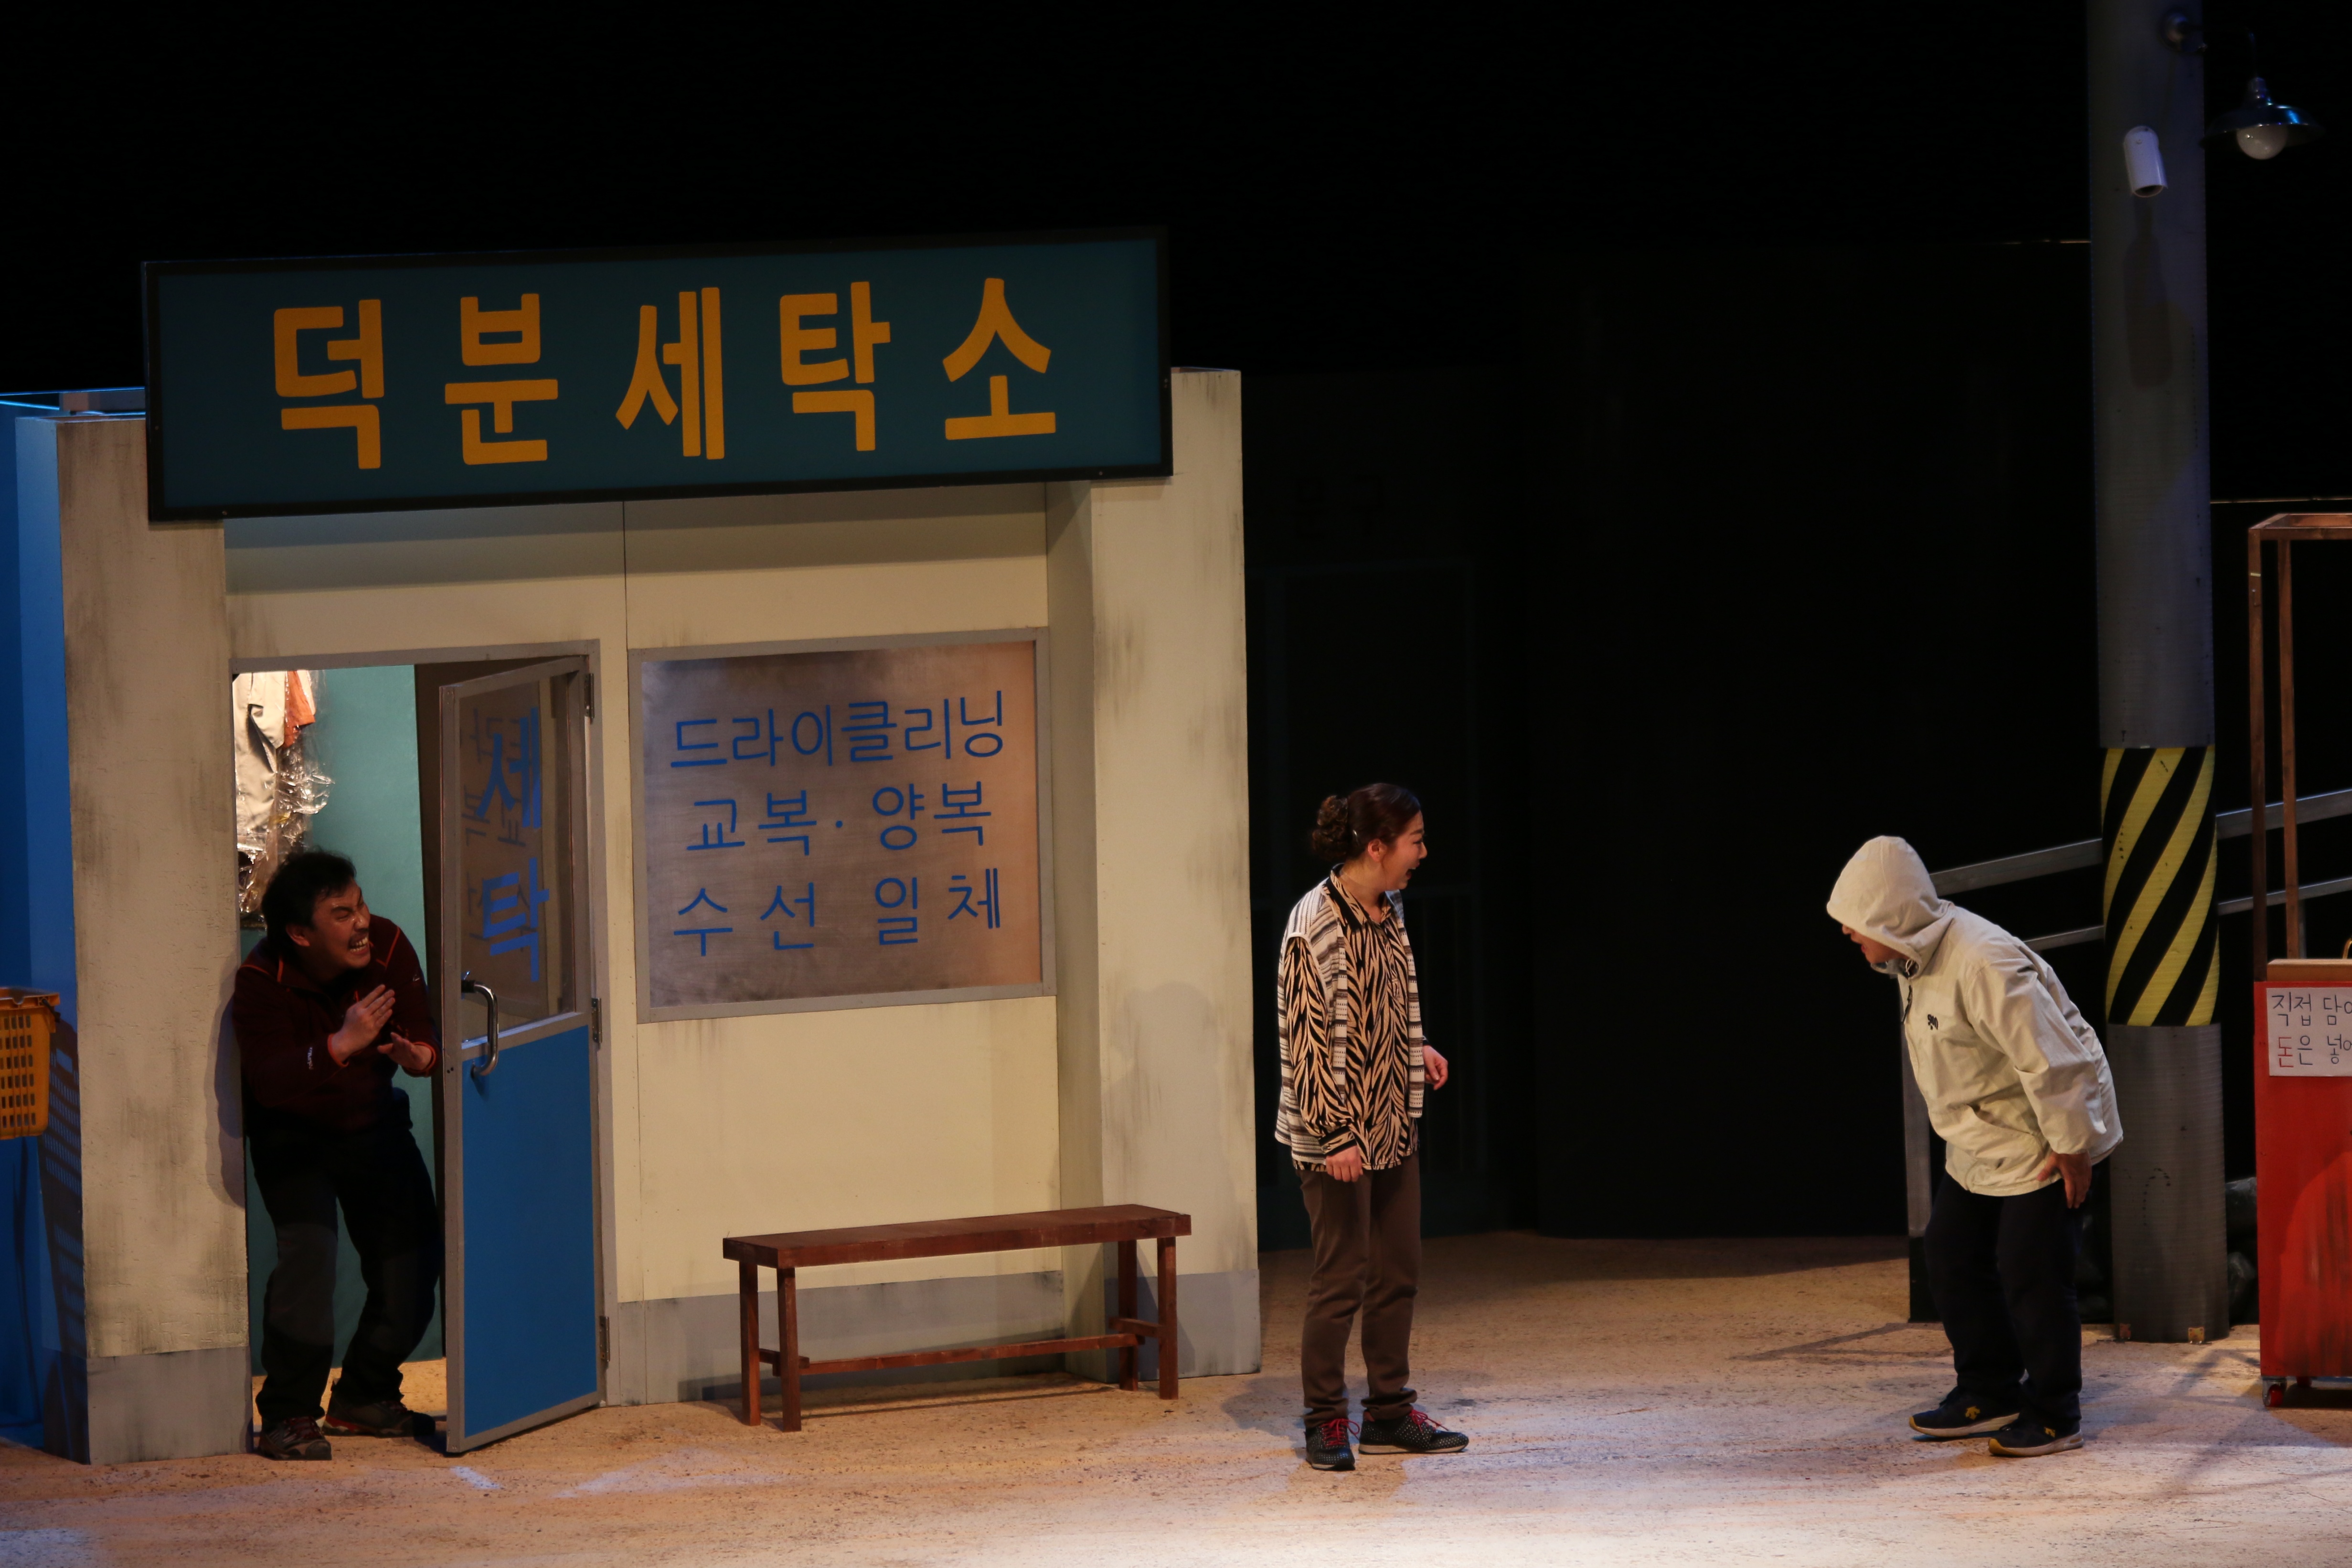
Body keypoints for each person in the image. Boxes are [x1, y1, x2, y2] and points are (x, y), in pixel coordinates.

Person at [1827, 835, 2122, 1458]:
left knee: (2030, 1270)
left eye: (1856, 920)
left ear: (1891, 916)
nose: (1848, 933)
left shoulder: (1983, 960)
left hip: (2045, 1133)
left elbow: (2052, 1057)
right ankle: (1989, 1390)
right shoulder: (1908, 958)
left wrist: (2072, 1145)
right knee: (1951, 1253)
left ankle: (2055, 1410)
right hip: (1980, 1133)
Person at [1276, 782, 1467, 1471]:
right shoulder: (1314, 924)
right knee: (1341, 1278)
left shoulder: (1389, 909)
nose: (1423, 852)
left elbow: (1387, 1000)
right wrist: (1335, 1134)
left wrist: (1416, 1046)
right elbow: (1304, 1041)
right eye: (1414, 840)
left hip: (1390, 1120)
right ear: (1378, 846)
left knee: (1397, 1271)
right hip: (1335, 1135)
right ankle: (1325, 1418)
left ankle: (1388, 1411)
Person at [234, 849, 441, 1461]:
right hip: (293, 1135)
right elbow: (269, 1082)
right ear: (301, 933)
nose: (362, 923)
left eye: (361, 905)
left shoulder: (388, 944)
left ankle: (364, 1394)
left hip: (372, 1121)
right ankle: (288, 1414)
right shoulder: (261, 978)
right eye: (342, 914)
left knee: (413, 1259)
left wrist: (420, 1057)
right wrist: (340, 1043)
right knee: (309, 1262)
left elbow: (424, 1034)